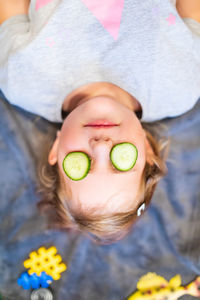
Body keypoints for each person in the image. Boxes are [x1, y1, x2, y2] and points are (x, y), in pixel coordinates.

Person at [0, 0, 200, 244]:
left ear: (56, 151)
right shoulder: (180, 89)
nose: (102, 145)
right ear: (147, 148)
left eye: (81, 164)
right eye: (121, 160)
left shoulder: (22, 84)